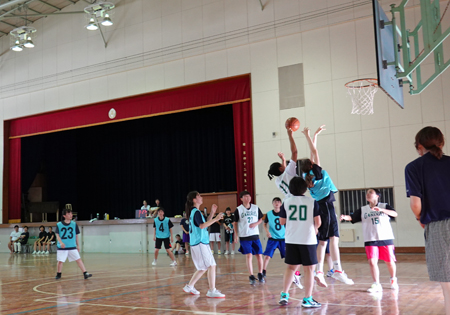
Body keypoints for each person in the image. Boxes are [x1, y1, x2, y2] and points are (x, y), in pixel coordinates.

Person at [405, 126, 450, 314]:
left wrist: (419, 218)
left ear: (419, 146)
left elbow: (416, 204)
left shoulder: (414, 167)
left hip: (439, 226)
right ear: (442, 143)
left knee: (447, 284)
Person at [301, 125, 353, 286]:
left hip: (319, 206)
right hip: (327, 207)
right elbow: (315, 152)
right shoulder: (316, 173)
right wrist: (307, 135)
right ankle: (337, 270)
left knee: (323, 241)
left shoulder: (306, 175)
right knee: (334, 239)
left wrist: (315, 135)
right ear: (312, 165)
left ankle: (319, 271)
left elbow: (313, 152)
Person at [340, 188, 399, 292]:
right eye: (367, 193)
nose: (367, 194)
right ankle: (376, 284)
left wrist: (381, 210)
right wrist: (345, 217)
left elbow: (395, 214)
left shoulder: (384, 206)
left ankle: (393, 279)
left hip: (385, 237)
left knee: (389, 261)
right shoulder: (363, 209)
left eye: (370, 192)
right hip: (370, 239)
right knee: (372, 262)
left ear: (377, 196)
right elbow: (353, 217)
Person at [279, 176, 321, 308]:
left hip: (291, 239)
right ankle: (307, 299)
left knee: (291, 268)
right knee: (309, 270)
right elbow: (318, 222)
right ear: (305, 188)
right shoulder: (312, 201)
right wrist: (314, 229)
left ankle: (284, 295)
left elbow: (281, 221)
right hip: (307, 239)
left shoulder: (286, 202)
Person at [182, 191, 225, 298]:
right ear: (194, 200)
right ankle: (212, 290)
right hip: (200, 242)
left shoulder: (195, 212)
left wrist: (212, 214)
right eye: (199, 196)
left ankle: (189, 286)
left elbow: (204, 224)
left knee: (203, 267)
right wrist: (216, 219)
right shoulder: (196, 212)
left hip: (197, 243)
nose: (201, 197)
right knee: (212, 265)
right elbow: (202, 226)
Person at [233, 191, 265, 285]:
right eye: (245, 197)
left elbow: (260, 219)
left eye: (249, 196)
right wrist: (236, 235)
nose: (248, 198)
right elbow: (235, 223)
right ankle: (251, 275)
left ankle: (260, 273)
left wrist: (256, 223)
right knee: (249, 255)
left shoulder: (255, 208)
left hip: (255, 235)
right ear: (241, 199)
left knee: (259, 255)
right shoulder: (238, 209)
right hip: (244, 236)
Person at [55, 208, 92, 280]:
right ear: (64, 216)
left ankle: (85, 273)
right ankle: (58, 274)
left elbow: (76, 235)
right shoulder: (59, 224)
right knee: (60, 261)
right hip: (62, 247)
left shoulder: (74, 224)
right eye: (69, 214)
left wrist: (78, 245)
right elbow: (57, 235)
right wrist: (61, 242)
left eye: (71, 213)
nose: (71, 215)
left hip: (72, 246)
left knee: (78, 259)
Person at [267, 127, 298, 199]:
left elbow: (284, 172)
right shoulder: (288, 172)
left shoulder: (277, 181)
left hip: (287, 201)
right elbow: (294, 152)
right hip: (296, 199)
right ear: (280, 168)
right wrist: (290, 136)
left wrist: (283, 161)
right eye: (282, 165)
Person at [262, 197, 288, 279]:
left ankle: (293, 273)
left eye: (278, 202)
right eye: (275, 202)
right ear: (273, 203)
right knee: (267, 256)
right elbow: (264, 224)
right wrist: (267, 232)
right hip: (272, 238)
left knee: (289, 257)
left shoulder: (285, 213)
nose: (277, 203)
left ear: (281, 204)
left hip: (283, 238)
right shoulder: (269, 213)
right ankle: (263, 271)